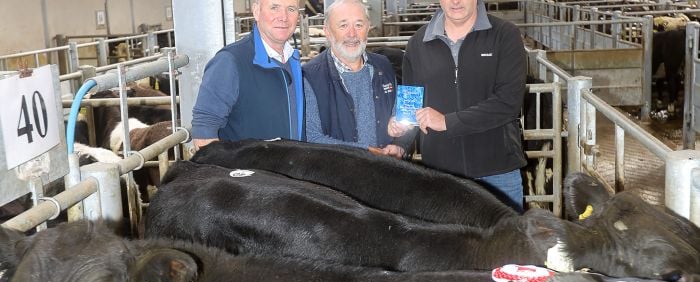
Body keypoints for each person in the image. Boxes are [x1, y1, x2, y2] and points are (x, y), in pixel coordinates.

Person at [389, 0, 527, 211]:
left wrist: (448, 122)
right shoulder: (418, 43)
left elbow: (508, 101)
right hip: (441, 177)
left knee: (505, 243)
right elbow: (412, 104)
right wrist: (400, 140)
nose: (455, 1)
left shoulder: (504, 35)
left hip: (498, 173)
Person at [190, 0, 304, 149]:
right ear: (256, 11)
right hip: (249, 170)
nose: (283, 17)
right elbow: (203, 132)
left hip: (286, 166)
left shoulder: (293, 60)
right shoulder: (229, 61)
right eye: (274, 7)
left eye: (291, 9)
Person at [303, 0, 406, 158]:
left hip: (386, 170)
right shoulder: (309, 76)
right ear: (327, 31)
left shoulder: (383, 65)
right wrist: (368, 152)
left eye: (359, 25)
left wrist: (400, 143)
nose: (352, 34)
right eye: (343, 25)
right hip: (335, 176)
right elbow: (312, 137)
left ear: (368, 27)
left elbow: (401, 118)